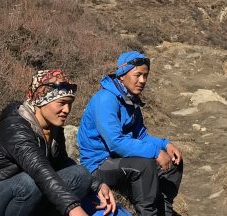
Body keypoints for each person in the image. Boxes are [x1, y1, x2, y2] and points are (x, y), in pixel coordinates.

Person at [0, 69, 116, 216]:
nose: (67, 110)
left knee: (80, 174)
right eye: (61, 103)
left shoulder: (53, 128)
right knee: (28, 183)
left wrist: (96, 184)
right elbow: (40, 170)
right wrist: (73, 208)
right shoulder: (15, 128)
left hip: (21, 199)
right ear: (40, 100)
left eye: (70, 103)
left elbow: (62, 163)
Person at [77, 51, 183, 216]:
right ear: (122, 75)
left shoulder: (130, 99)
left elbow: (141, 136)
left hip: (118, 159)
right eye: (137, 75)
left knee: (174, 158)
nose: (142, 80)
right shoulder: (105, 99)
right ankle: (148, 213)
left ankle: (164, 209)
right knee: (144, 165)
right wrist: (155, 152)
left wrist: (165, 144)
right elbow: (115, 142)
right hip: (98, 164)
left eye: (145, 76)